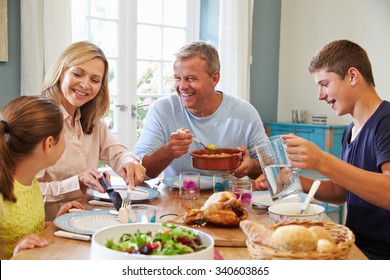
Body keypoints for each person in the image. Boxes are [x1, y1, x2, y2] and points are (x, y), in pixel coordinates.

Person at [282, 40, 390, 260]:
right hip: (355, 246)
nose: (320, 95)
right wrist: (291, 181)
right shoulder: (350, 130)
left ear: (352, 76)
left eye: (324, 84)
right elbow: (340, 193)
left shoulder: (386, 121)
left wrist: (322, 161)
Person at [39, 41, 146, 220]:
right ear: (60, 73)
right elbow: (24, 193)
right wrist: (77, 182)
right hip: (47, 229)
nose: (85, 85)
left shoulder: (93, 122)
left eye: (95, 80)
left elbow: (118, 152)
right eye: (77, 74)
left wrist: (129, 161)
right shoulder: (39, 122)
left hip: (86, 220)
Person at [133, 41, 268, 180]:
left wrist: (251, 166)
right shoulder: (162, 109)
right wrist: (168, 151)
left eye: (190, 79)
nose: (182, 86)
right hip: (178, 198)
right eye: (177, 78)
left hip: (228, 198)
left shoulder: (244, 113)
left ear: (214, 79)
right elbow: (137, 171)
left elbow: (274, 169)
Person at [0, 96, 84, 259]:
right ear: (50, 143)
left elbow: (23, 232)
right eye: (64, 135)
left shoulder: (29, 182)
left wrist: (55, 224)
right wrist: (14, 256)